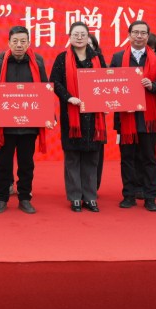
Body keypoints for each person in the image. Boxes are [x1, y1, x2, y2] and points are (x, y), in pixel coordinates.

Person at [0, 26, 49, 214]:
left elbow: (45, 90)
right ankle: (1, 198)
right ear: (9, 43)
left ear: (29, 43)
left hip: (29, 125)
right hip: (5, 126)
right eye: (15, 41)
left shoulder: (37, 62)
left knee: (26, 164)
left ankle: (25, 198)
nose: (19, 45)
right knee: (3, 164)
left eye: (23, 41)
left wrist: (47, 115)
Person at [52, 22, 108, 213]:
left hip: (94, 117)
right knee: (73, 158)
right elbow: (55, 82)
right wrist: (69, 98)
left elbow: (105, 83)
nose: (79, 37)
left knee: (92, 158)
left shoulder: (98, 58)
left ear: (88, 36)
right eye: (75, 34)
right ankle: (75, 197)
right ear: (70, 37)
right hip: (72, 114)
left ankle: (90, 197)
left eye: (83, 34)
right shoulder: (62, 58)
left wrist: (107, 103)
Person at [110, 21, 156, 211]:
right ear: (129, 35)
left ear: (148, 36)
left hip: (148, 118)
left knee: (149, 158)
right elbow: (111, 84)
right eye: (135, 32)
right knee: (127, 158)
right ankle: (129, 195)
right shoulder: (118, 57)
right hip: (126, 117)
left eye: (143, 33)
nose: (139, 36)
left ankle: (150, 197)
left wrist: (153, 85)